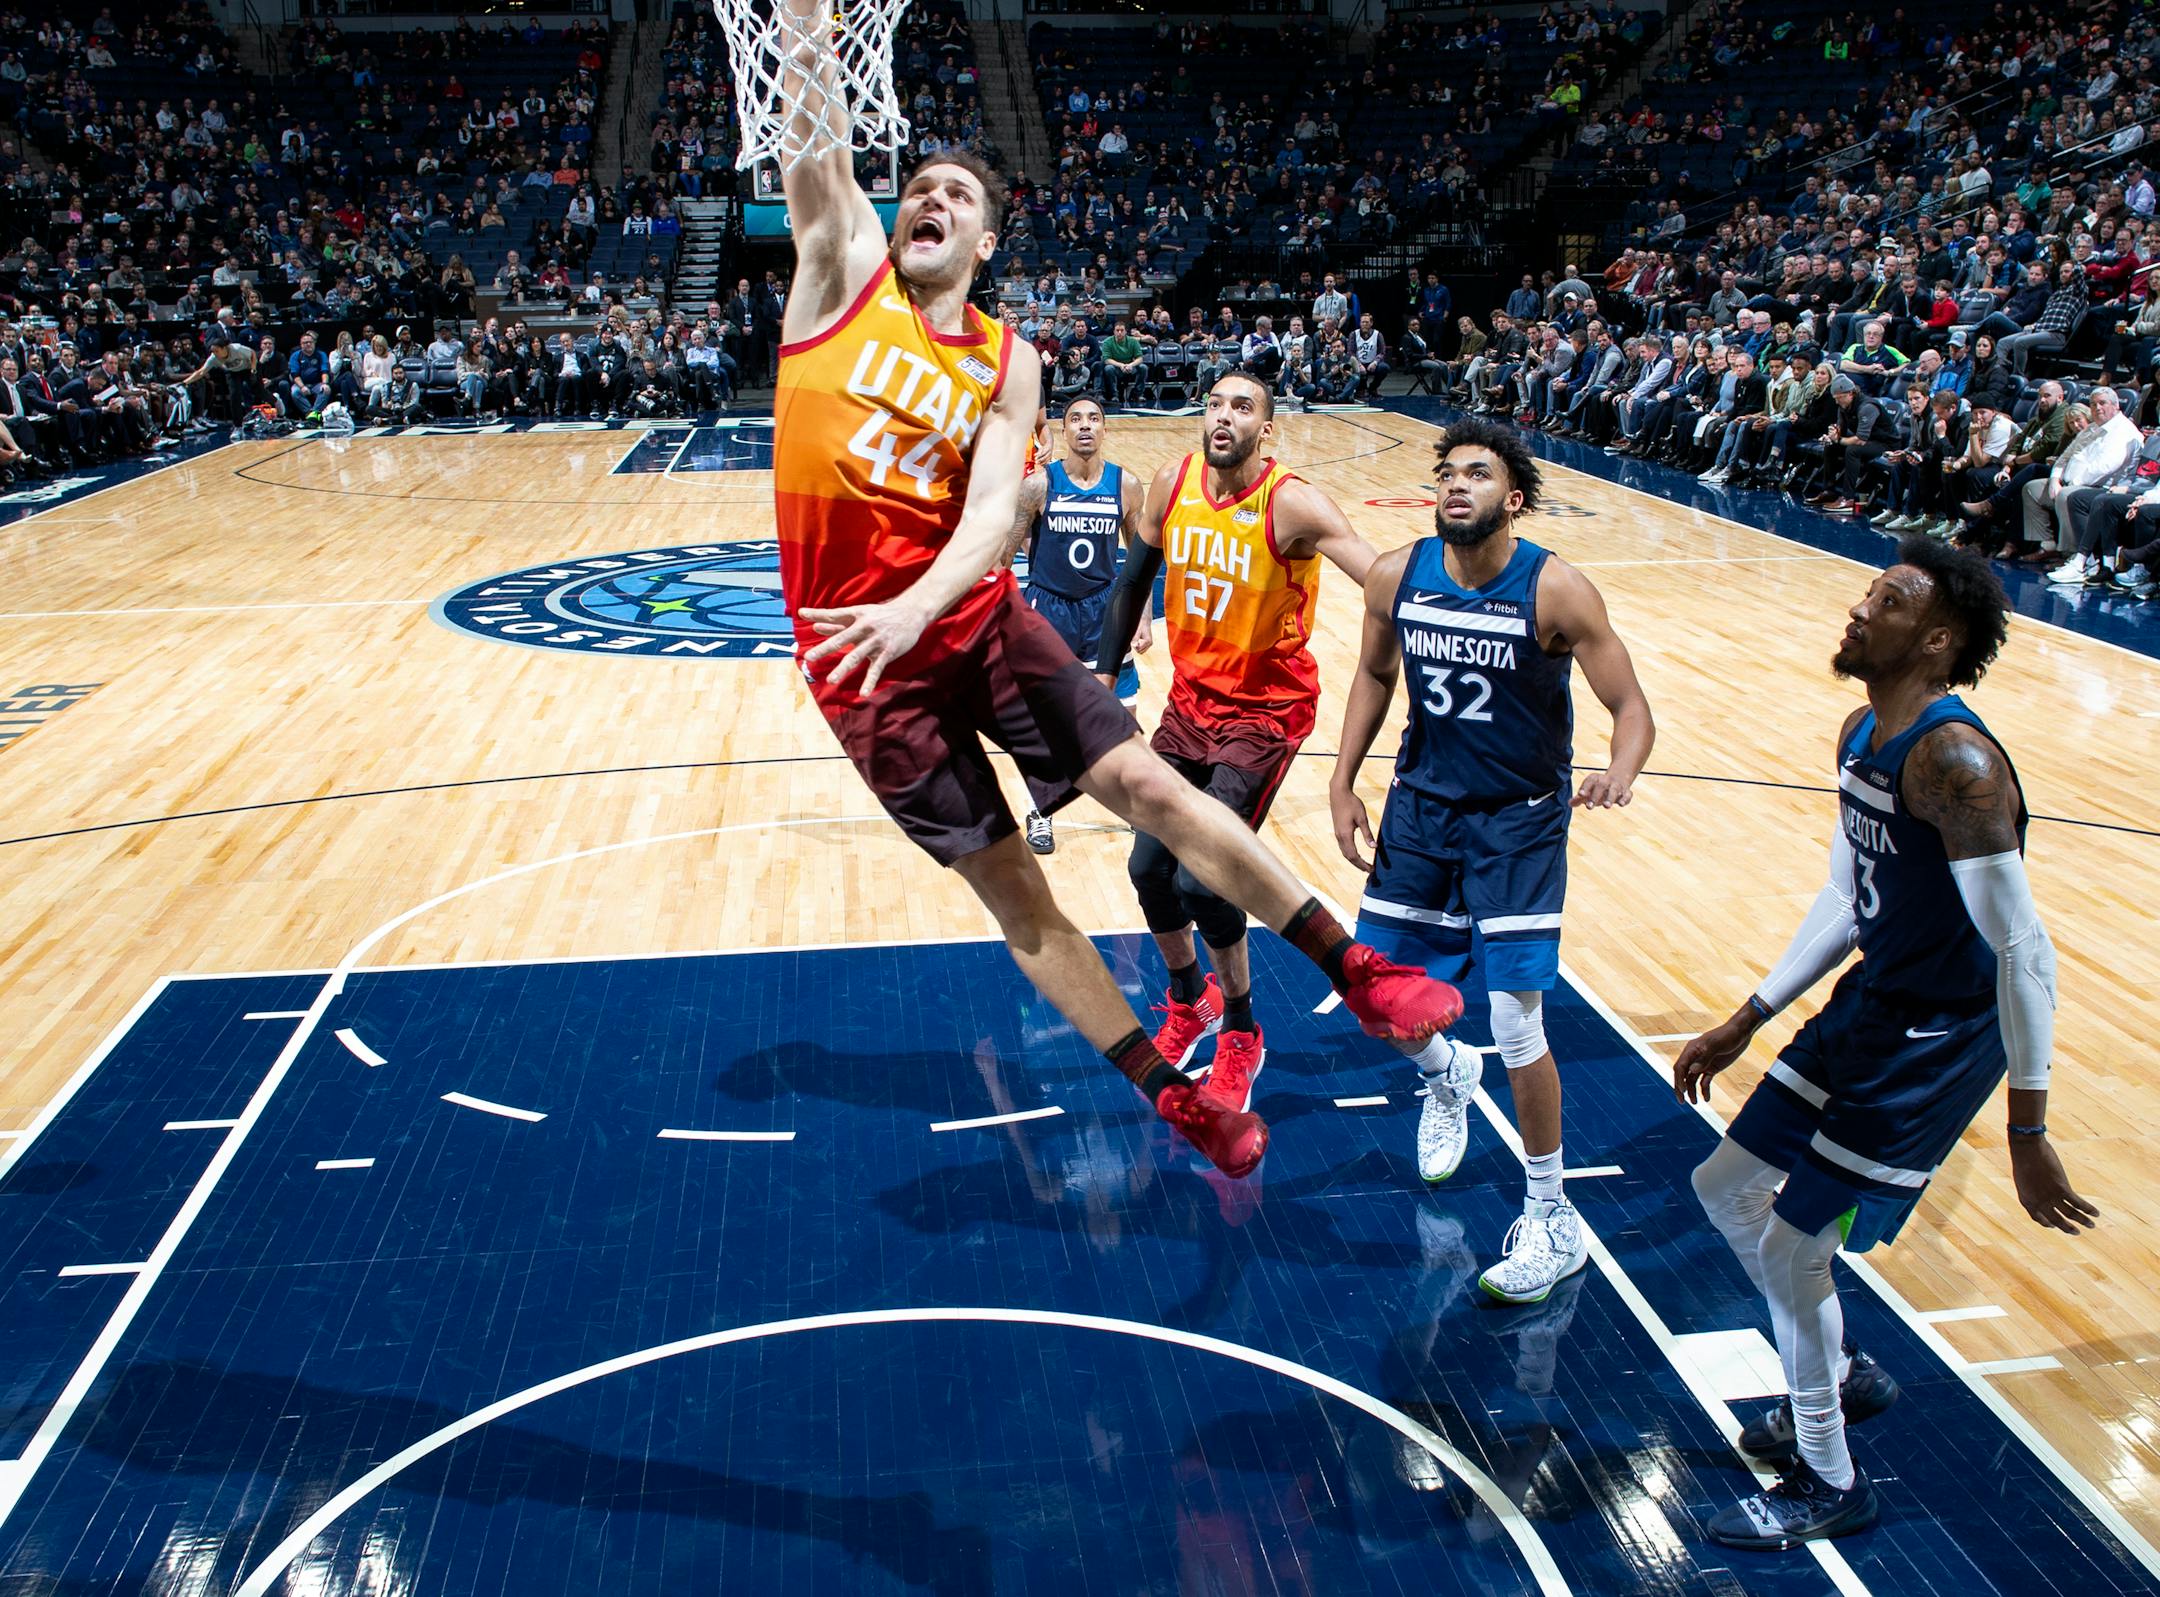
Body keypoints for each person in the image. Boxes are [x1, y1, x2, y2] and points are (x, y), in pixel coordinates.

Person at [766, 0, 1465, 1177]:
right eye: (920, 188)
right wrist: (804, 21)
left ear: (985, 241)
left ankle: (1357, 968)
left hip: (962, 616)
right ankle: (1174, 1097)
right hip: (859, 660)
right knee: (1012, 886)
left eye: (961, 195)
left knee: (1144, 779)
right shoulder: (839, 270)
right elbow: (814, 133)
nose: (932, 199)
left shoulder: (1010, 359)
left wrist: (920, 601)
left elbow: (995, 512)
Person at [1675, 540, 2096, 1550]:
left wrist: (2028, 1124)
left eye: (1889, 600)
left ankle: (1828, 1477)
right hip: (1877, 996)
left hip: (1941, 1034)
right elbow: (1846, 894)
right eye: (1869, 592)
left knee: (1789, 1244)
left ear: (1938, 641)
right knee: (1724, 1186)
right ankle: (1842, 1365)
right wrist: (1750, 1011)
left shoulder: (1956, 763)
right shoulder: (1862, 729)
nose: (1861, 609)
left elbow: (2024, 952)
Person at [1331, 417, 1656, 1301]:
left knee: (1518, 1024)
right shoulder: (1398, 575)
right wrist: (1343, 781)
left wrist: (1618, 771)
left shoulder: (1556, 590)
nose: (1454, 486)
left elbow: (1631, 706)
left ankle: (1551, 1215)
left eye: (1475, 474)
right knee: (1381, 1001)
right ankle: (1447, 1074)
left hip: (1517, 825)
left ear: (1511, 498)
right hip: (1421, 812)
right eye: (1444, 473)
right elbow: (1372, 675)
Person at [1090, 372, 1382, 1112]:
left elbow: (1382, 579)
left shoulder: (1292, 501)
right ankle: (1193, 998)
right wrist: (1102, 672)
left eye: (1243, 407)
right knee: (1149, 868)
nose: (1224, 416)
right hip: (1190, 704)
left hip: (1264, 712)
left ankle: (1243, 1027)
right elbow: (1131, 582)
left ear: (1269, 428)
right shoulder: (1171, 482)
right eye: (1216, 403)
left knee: (1200, 876)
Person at [1007, 394, 1153, 853]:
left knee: (1123, 719)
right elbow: (1002, 557)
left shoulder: (1126, 485)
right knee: (1047, 723)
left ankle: (1135, 807)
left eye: (1093, 418)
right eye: (1075, 419)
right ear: (1062, 431)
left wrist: (1144, 619)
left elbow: (1141, 563)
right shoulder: (1037, 486)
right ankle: (1040, 810)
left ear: (1105, 428)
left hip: (1105, 612)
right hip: (1049, 611)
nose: (1085, 426)